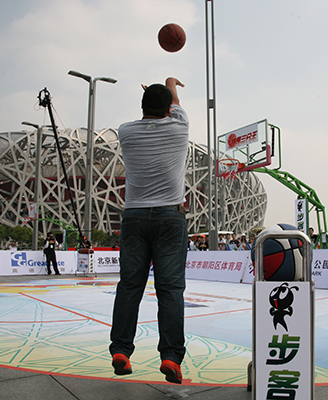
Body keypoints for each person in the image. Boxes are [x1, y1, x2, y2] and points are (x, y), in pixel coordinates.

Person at [109, 77, 188, 384]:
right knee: (170, 289)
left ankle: (121, 350)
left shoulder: (125, 131)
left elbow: (160, 109)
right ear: (168, 109)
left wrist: (159, 93)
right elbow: (175, 104)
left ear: (142, 106)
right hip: (170, 217)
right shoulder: (179, 127)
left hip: (135, 217)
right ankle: (171, 357)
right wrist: (170, 84)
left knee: (130, 286)